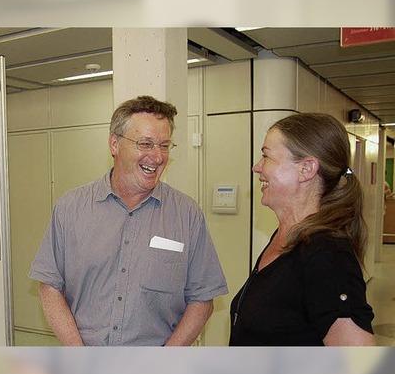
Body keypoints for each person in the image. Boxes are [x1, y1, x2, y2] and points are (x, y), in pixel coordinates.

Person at [29, 95, 227, 346]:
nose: (157, 157)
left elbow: (202, 298)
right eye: (145, 144)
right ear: (114, 144)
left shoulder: (187, 215)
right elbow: (49, 286)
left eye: (164, 146)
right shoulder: (70, 209)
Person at [230, 113, 375, 346]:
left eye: (266, 156)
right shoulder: (287, 236)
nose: (256, 167)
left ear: (306, 169)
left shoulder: (327, 255)